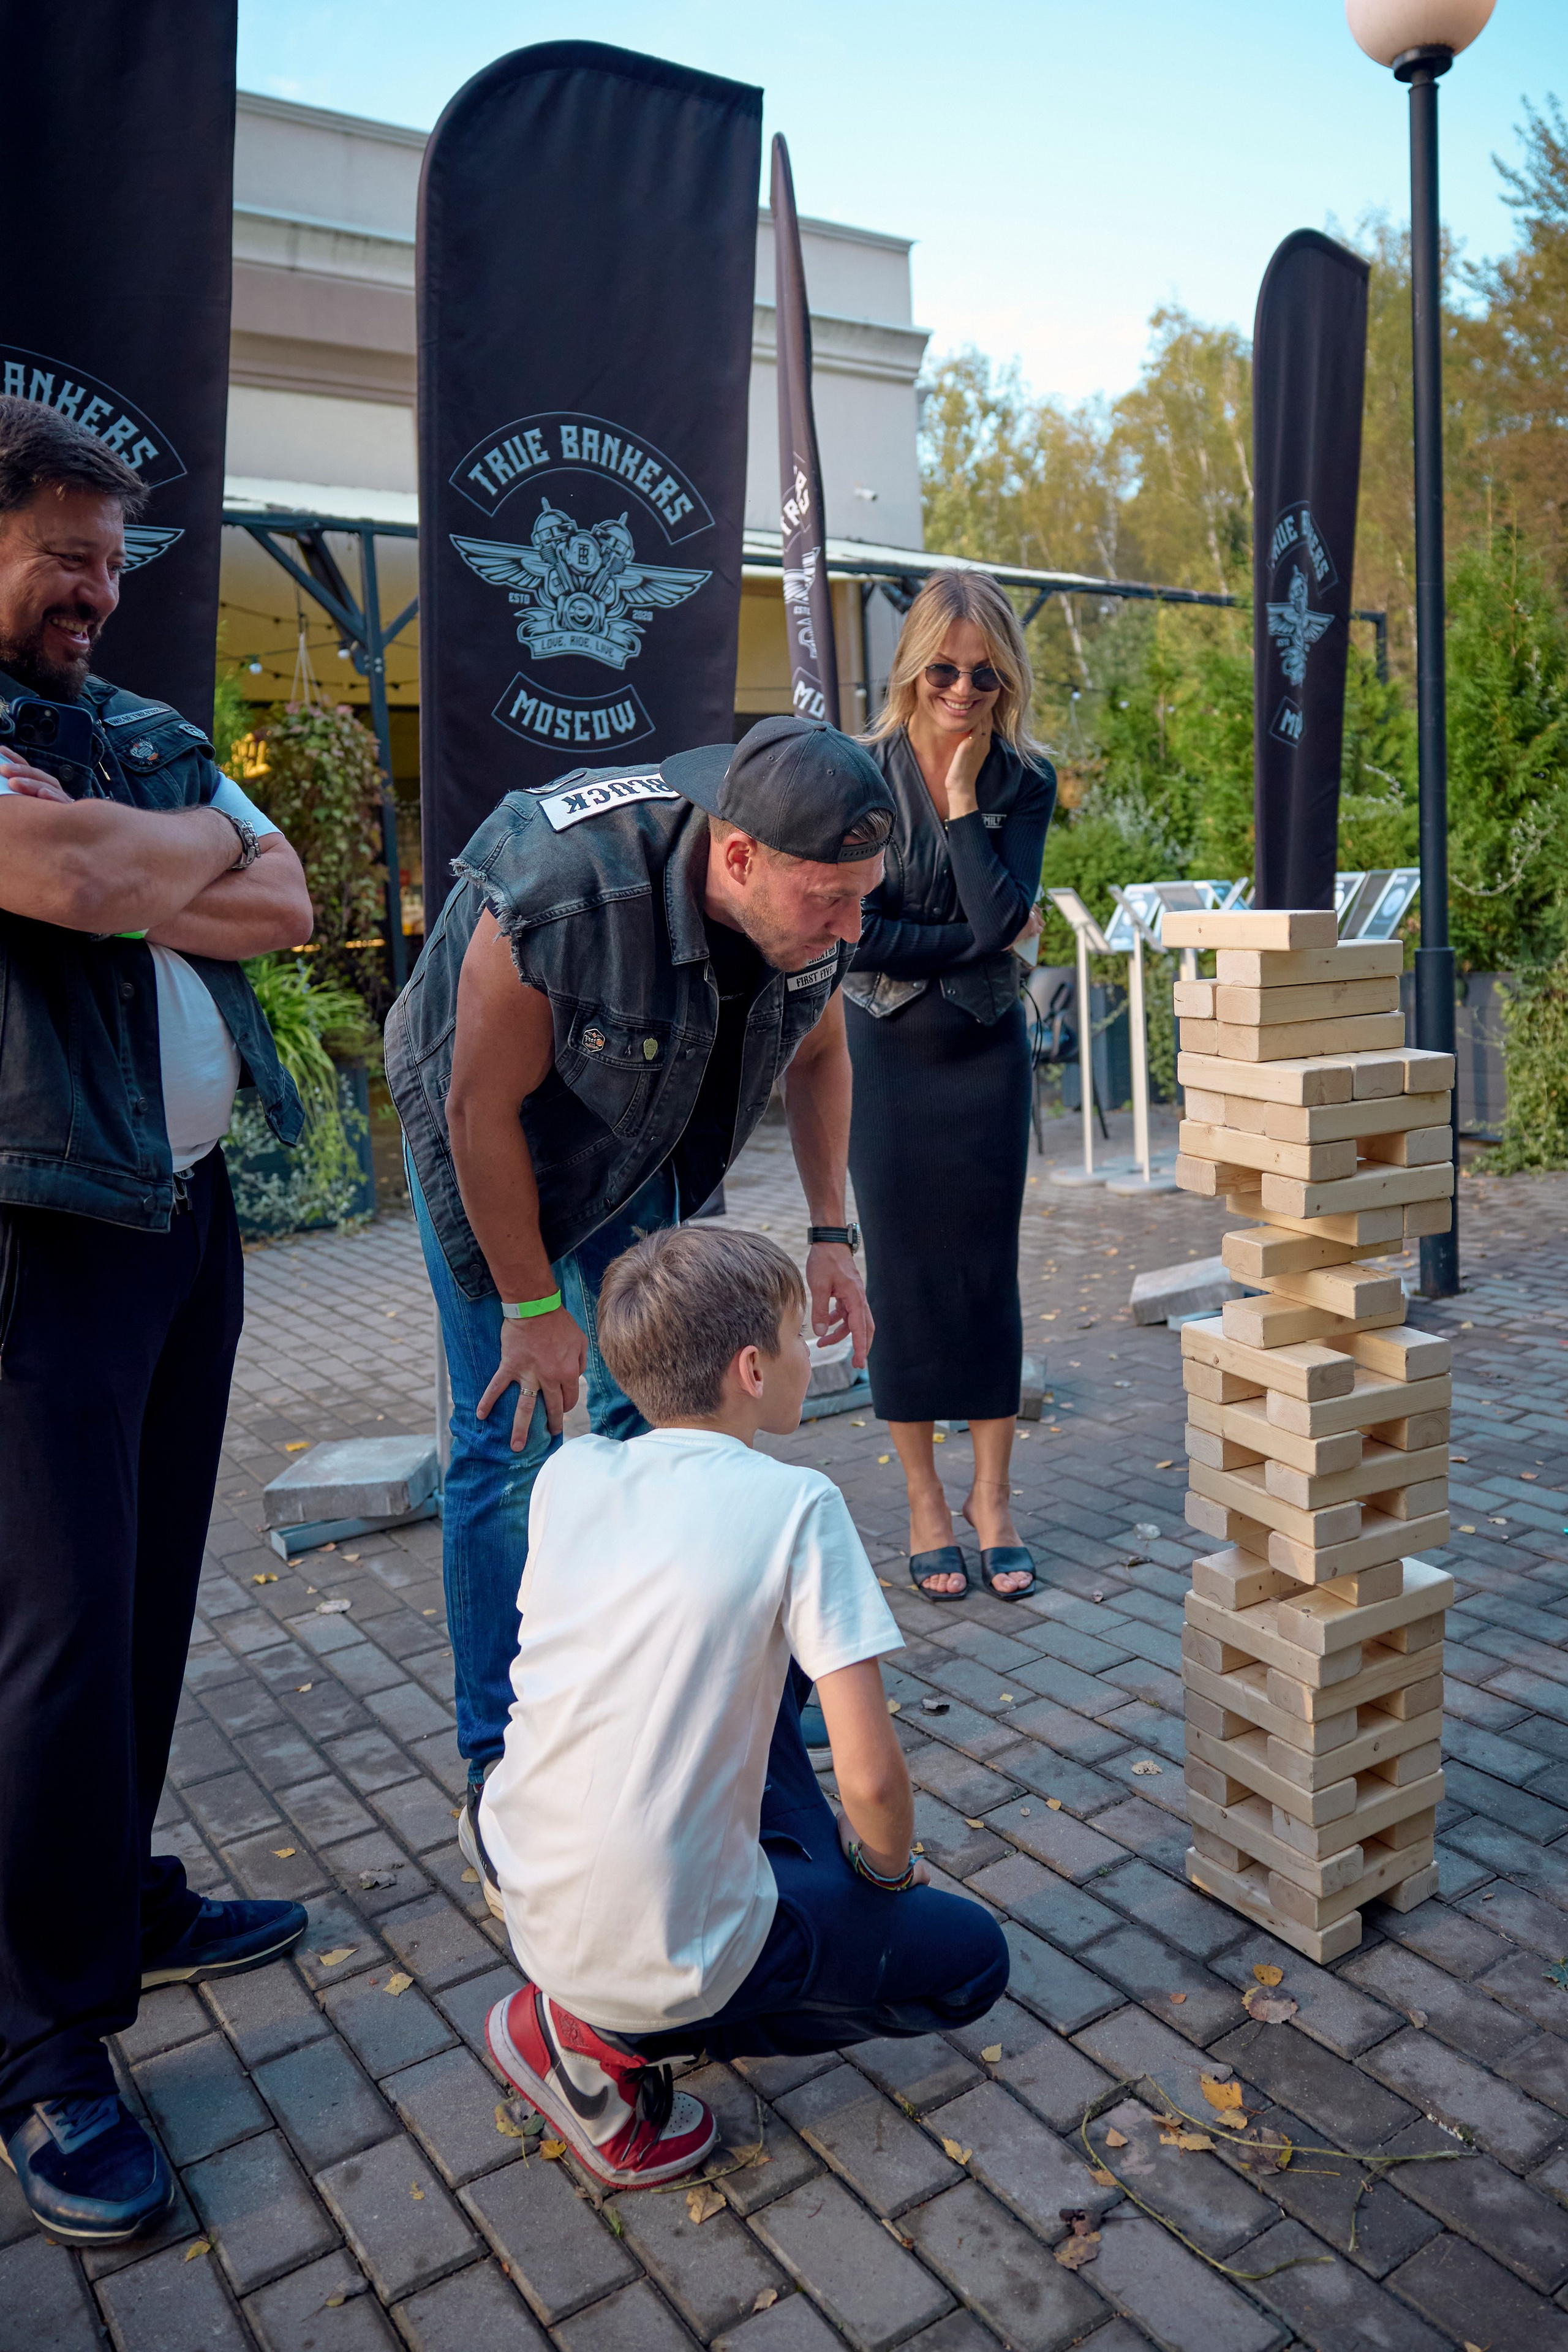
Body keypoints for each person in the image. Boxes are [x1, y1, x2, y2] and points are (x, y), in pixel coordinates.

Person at [386, 717, 892, 1890]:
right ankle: (495, 1757)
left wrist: (831, 1234)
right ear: (737, 861)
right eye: (831, 902)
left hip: (642, 1124)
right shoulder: (556, 894)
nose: (852, 929)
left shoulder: (814, 898)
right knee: (508, 1438)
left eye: (863, 900)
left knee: (663, 1418)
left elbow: (821, 1058)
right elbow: (476, 1110)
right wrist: (529, 1303)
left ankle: (692, 1696)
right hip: (486, 1132)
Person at [0, 400, 315, 2244]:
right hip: (40, 1239)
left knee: (145, 1604)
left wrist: (139, 854)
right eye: (65, 557)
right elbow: (70, 884)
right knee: (48, 1649)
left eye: (115, 564)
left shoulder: (118, 730)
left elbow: (280, 901)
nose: (101, 595)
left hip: (183, 1222)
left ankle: (109, 1898)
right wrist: (155, 858)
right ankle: (43, 2051)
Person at [478, 1224, 1009, 2185]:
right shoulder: (796, 1504)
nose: (819, 1354)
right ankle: (611, 2044)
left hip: (528, 1874)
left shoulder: (574, 1473)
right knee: (970, 1959)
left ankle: (597, 1994)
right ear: (753, 1368)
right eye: (804, 1337)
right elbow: (874, 1780)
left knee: (761, 1658)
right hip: (642, 1942)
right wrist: (885, 1878)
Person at [845, 573, 1057, 1604]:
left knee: (985, 1275)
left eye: (982, 672)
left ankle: (995, 1500)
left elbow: (998, 909)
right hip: (882, 1055)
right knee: (902, 1281)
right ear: (913, 665)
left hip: (984, 1057)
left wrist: (966, 800)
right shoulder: (857, 773)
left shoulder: (1023, 779)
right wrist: (972, 941)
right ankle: (928, 1504)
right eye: (944, 669)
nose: (963, 689)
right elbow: (862, 932)